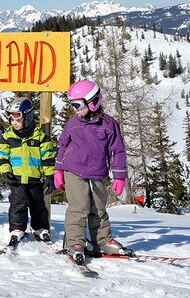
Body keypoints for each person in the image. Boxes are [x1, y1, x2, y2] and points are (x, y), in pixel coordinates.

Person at [54, 80, 133, 264]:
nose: (74, 109)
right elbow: (63, 146)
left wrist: (119, 176)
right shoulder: (73, 123)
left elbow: (117, 151)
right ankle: (75, 243)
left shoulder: (109, 124)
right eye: (71, 104)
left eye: (77, 104)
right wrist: (58, 170)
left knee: (98, 208)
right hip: (73, 170)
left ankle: (102, 241)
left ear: (92, 102)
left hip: (98, 171)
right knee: (79, 207)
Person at [0, 96, 55, 247]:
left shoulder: (40, 137)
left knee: (38, 205)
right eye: (12, 120)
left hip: (35, 178)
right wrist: (6, 171)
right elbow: (3, 157)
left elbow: (48, 158)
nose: (14, 123)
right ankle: (17, 228)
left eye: (18, 119)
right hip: (16, 179)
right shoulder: (7, 137)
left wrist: (49, 176)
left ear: (28, 117)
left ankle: (41, 228)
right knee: (18, 204)